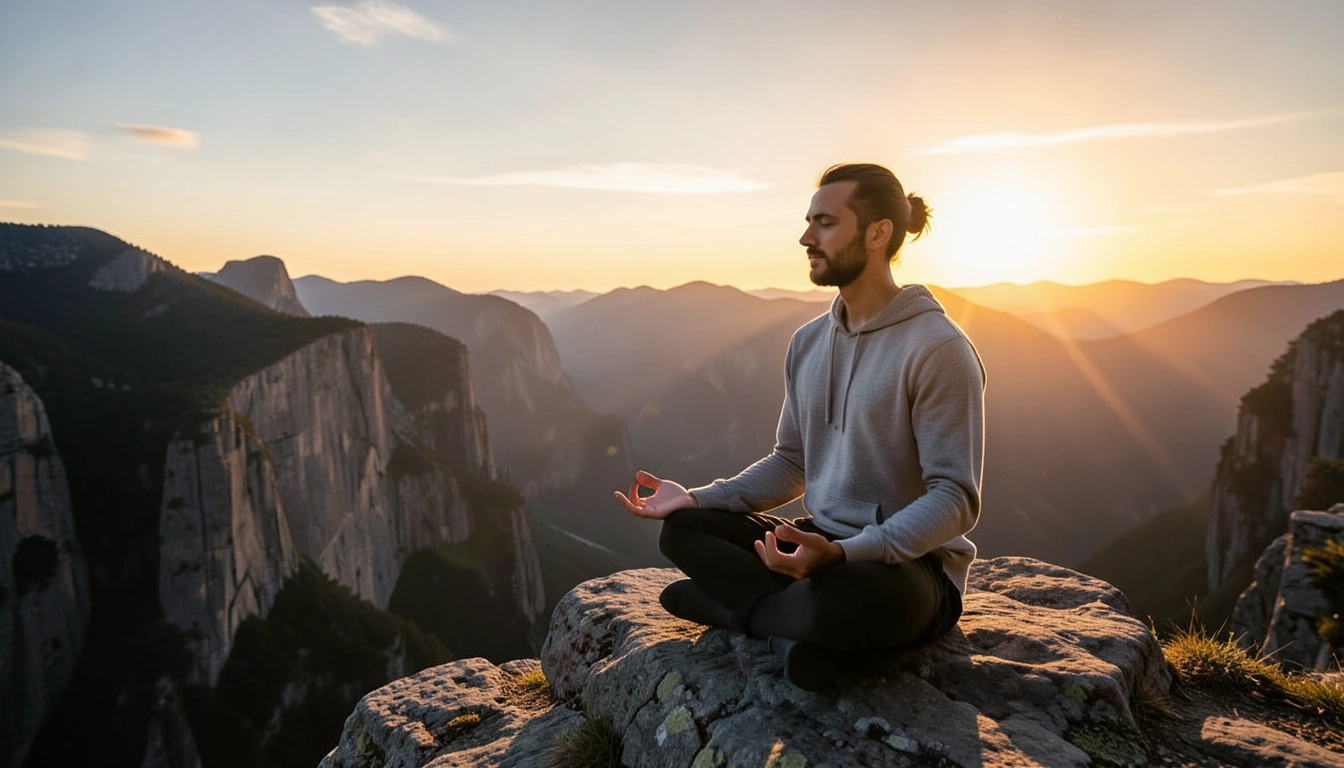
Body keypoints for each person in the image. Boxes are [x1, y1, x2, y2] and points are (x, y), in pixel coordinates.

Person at [615, 163, 986, 691]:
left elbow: (956, 499)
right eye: (809, 221)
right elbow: (792, 463)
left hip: (905, 567)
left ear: (878, 233)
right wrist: (696, 498)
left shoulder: (938, 348)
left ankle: (744, 614)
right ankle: (793, 629)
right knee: (682, 530)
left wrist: (846, 553)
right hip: (818, 544)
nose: (806, 238)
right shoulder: (808, 342)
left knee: (847, 593)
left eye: (825, 223)